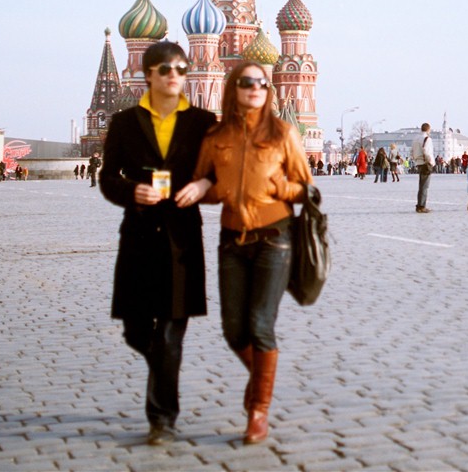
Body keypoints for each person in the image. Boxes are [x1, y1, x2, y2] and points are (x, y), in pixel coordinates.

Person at [176, 60, 313, 445]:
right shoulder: (216, 137)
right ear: (233, 87)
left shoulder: (283, 132)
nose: (256, 87)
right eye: (247, 81)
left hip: (275, 237)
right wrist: (205, 189)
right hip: (232, 240)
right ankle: (260, 381)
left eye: (262, 82)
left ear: (269, 91)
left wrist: (278, 188)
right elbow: (206, 180)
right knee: (233, 329)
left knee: (259, 323)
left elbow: (306, 188)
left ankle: (258, 411)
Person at [98, 41, 217, 446]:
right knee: (136, 332)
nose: (174, 76)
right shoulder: (125, 121)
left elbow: (219, 170)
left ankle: (161, 417)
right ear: (148, 73)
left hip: (182, 239)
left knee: (169, 333)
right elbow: (107, 178)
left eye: (181, 69)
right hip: (138, 236)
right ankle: (163, 370)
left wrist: (203, 183)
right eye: (166, 69)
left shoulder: (202, 121)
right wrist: (132, 191)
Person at [411, 123, 434, 213]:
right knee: (424, 186)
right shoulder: (427, 139)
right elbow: (427, 152)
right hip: (425, 163)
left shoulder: (415, 139)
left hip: (419, 162)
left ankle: (420, 204)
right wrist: (431, 162)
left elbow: (412, 151)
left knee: (421, 185)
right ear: (428, 130)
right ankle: (421, 206)